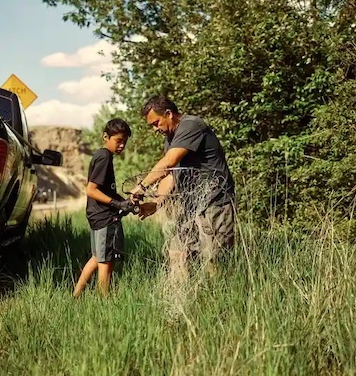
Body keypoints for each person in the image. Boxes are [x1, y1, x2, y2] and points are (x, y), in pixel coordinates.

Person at [130, 95, 236, 267]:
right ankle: (179, 294)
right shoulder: (171, 138)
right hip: (191, 206)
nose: (155, 129)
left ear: (169, 114)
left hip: (214, 202)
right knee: (179, 255)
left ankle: (219, 293)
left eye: (156, 123)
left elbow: (168, 162)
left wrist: (141, 186)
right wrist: (157, 203)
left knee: (214, 260)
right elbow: (171, 174)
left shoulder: (191, 125)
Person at [73, 118, 136, 297]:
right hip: (104, 217)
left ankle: (76, 295)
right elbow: (91, 190)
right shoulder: (105, 156)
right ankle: (103, 300)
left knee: (96, 257)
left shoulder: (102, 155)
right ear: (105, 137)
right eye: (118, 140)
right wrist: (117, 204)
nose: (122, 145)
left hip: (97, 215)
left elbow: (104, 189)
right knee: (106, 261)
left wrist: (126, 202)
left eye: (124, 141)